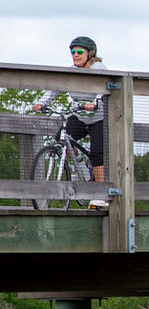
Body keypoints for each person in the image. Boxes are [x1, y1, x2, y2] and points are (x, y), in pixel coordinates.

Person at [32, 36, 108, 208]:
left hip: (99, 118)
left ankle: (100, 195)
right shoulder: (71, 71)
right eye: (72, 52)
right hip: (79, 116)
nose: (75, 55)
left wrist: (95, 103)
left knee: (97, 154)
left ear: (90, 54)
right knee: (63, 136)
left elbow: (104, 87)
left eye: (79, 52)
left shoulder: (98, 68)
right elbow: (56, 88)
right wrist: (42, 103)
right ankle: (80, 167)